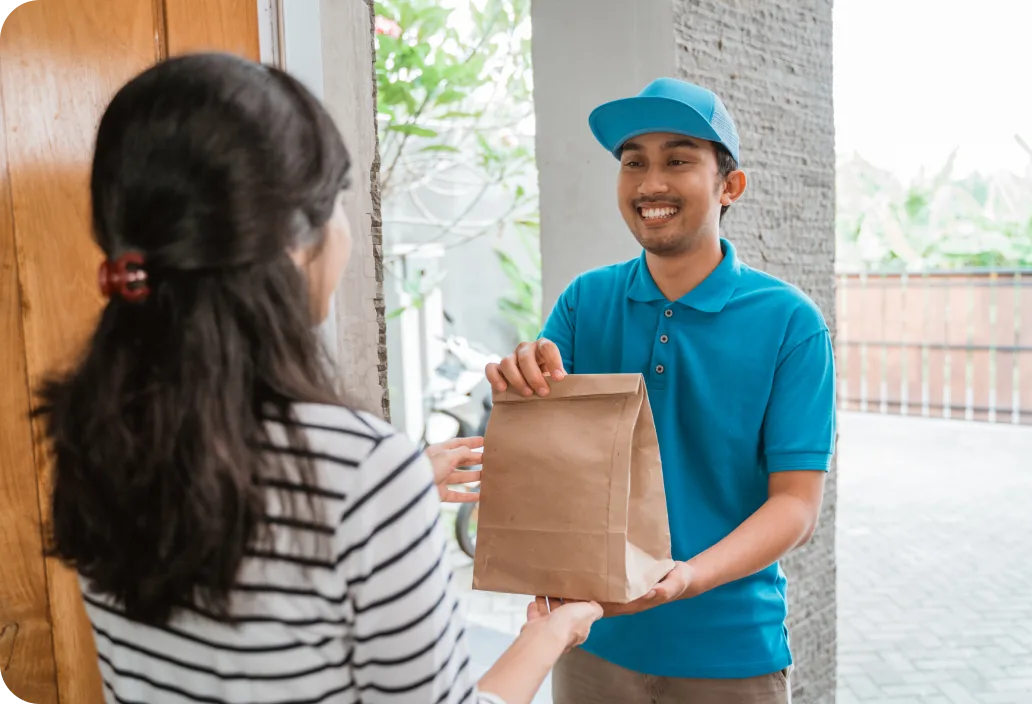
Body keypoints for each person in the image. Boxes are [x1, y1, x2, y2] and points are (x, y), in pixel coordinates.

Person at [38, 52, 600, 704]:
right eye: (337, 202)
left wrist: (394, 493)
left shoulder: (99, 430)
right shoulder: (362, 473)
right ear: (291, 242)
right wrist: (546, 636)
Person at [484, 76, 836, 704]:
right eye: (633, 163)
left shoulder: (790, 322)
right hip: (591, 640)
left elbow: (796, 506)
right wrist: (522, 379)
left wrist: (688, 577)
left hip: (730, 655)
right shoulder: (585, 301)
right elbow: (551, 454)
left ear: (730, 186)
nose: (650, 184)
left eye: (677, 160)